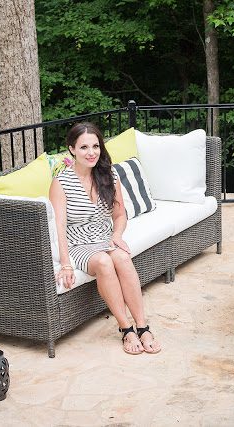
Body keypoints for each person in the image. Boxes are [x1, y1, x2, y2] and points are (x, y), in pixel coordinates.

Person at [49, 122, 161, 355]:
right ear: (71, 150)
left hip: (104, 236)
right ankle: (126, 328)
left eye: (95, 146)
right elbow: (59, 226)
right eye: (83, 148)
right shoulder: (61, 183)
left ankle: (143, 326)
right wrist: (66, 263)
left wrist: (117, 235)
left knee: (122, 257)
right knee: (104, 262)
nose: (91, 153)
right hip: (78, 243)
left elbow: (120, 214)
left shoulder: (109, 176)